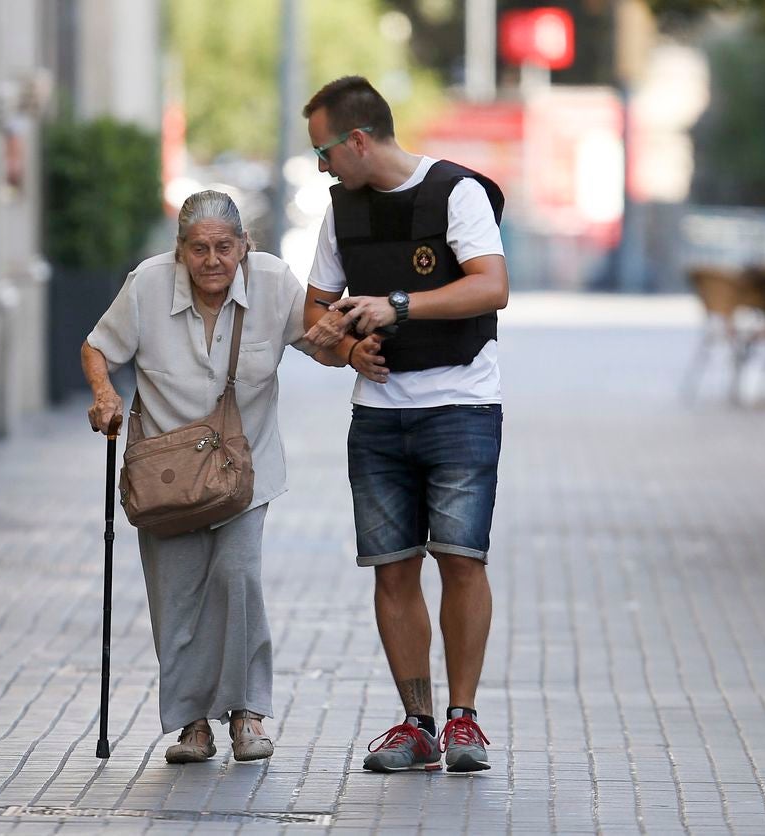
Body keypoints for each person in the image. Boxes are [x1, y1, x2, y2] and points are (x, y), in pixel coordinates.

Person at [82, 190, 348, 764]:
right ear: (180, 251)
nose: (212, 261)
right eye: (198, 249)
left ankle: (247, 713)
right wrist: (104, 396)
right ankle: (193, 724)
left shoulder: (274, 284)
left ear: (243, 247)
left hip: (242, 471)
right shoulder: (148, 285)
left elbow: (320, 343)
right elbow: (97, 349)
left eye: (224, 247)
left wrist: (353, 347)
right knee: (176, 595)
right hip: (166, 474)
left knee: (237, 576)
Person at [300, 76, 508, 773]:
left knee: (461, 559)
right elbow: (314, 314)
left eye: (325, 151)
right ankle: (417, 723)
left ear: (358, 139)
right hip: (378, 420)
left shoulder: (457, 192)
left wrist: (398, 306)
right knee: (392, 570)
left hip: (460, 405)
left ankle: (464, 721)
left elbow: (491, 285)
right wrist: (346, 347)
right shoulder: (340, 212)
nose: (321, 166)